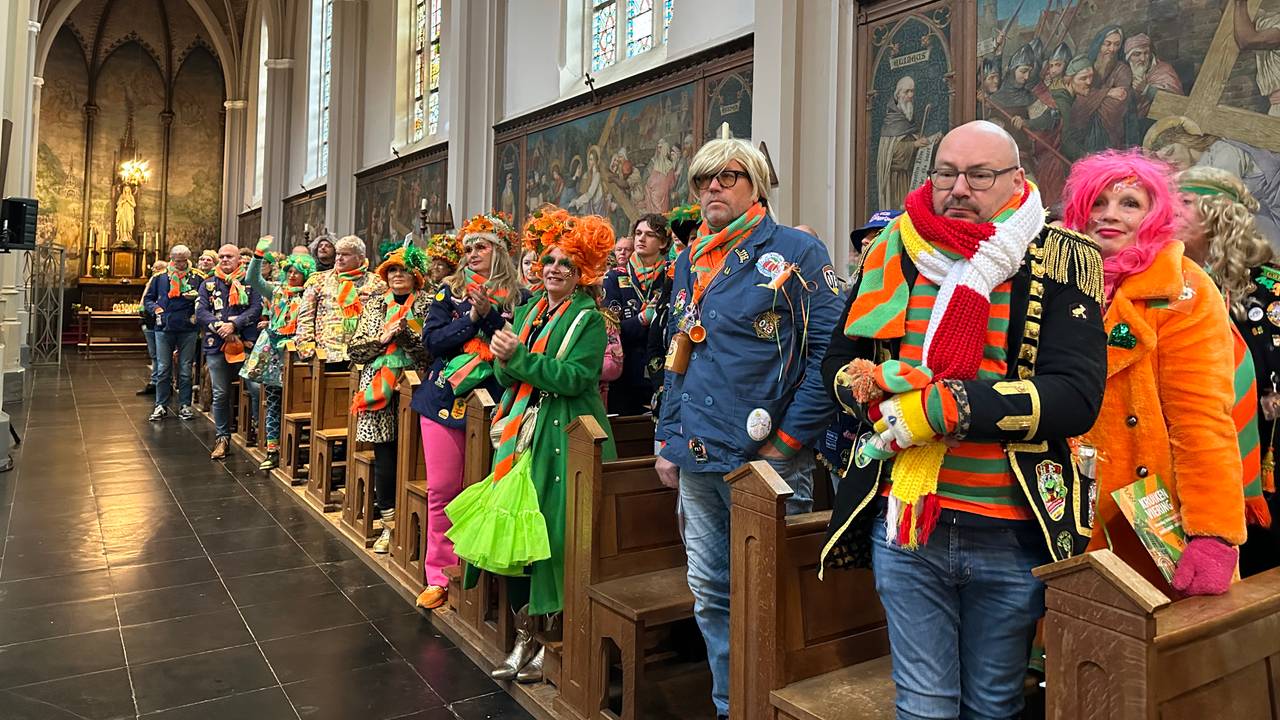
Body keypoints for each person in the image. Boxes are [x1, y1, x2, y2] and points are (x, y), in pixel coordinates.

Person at [821, 121, 1106, 720]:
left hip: (1012, 527)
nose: (958, 188)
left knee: (993, 706)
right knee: (923, 707)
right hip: (908, 522)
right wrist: (874, 395)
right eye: (947, 173)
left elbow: (1075, 396)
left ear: (1016, 181)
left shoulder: (1063, 257)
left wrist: (950, 409)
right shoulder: (893, 248)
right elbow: (841, 359)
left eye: (979, 175)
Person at [654, 138, 843, 720]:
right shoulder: (689, 259)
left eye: (727, 176)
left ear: (756, 185)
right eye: (703, 179)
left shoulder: (796, 251)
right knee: (711, 592)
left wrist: (788, 441)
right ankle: (730, 704)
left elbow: (829, 353)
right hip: (696, 454)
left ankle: (775, 702)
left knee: (772, 591)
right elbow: (679, 346)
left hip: (768, 460)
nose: (712, 187)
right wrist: (666, 434)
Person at [1060, 149, 1245, 596]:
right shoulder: (1053, 280)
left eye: (1129, 204)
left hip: (1150, 516)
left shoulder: (1184, 288)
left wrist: (1213, 534)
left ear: (1154, 214)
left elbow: (1202, 420)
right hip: (1055, 508)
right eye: (1097, 203)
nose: (1109, 215)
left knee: (1156, 655)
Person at [445, 213, 616, 684]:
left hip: (567, 440)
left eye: (566, 263)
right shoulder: (529, 311)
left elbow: (578, 378)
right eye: (549, 260)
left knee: (553, 538)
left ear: (582, 272)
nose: (555, 268)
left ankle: (551, 639)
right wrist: (504, 361)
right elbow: (506, 380)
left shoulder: (590, 320)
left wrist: (516, 358)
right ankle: (525, 634)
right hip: (523, 433)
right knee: (520, 536)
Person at [411, 212, 524, 610]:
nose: (472, 253)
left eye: (482, 246)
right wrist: (472, 318)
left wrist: (490, 315)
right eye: (469, 247)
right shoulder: (448, 292)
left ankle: (481, 573)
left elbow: (514, 342)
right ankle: (439, 575)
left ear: (501, 251)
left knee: (487, 492)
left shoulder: (520, 295)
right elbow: (433, 342)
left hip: (496, 403)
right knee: (443, 489)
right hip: (444, 400)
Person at [1176, 166, 1280, 575]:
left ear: (1217, 214)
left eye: (1183, 204)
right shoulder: (1161, 282)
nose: (1168, 213)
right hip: (1190, 458)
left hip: (1260, 459)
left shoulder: (1270, 289)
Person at [349, 244, 433, 554]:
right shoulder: (374, 305)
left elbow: (430, 351)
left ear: (416, 275)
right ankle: (389, 525)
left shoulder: (426, 305)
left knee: (412, 453)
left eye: (404, 270)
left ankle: (416, 525)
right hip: (379, 386)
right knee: (385, 456)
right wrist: (382, 339)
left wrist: (406, 337)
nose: (398, 275)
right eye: (393, 271)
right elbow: (355, 350)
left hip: (415, 384)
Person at [241, 235, 316, 470]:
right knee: (273, 401)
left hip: (297, 352)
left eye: (298, 272)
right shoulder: (277, 291)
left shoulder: (311, 295)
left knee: (299, 403)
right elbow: (252, 278)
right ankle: (273, 450)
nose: (293, 275)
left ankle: (299, 450)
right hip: (273, 351)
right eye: (290, 270)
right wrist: (258, 255)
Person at [602, 213, 672, 415]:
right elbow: (612, 331)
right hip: (626, 375)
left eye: (650, 234)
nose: (641, 238)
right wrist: (642, 319)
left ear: (663, 242)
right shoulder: (615, 277)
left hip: (663, 373)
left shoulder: (672, 275)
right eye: (638, 233)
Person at [197, 244, 263, 460]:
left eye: (229, 257)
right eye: (222, 256)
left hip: (245, 343)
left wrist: (235, 326)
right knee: (221, 393)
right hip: (217, 344)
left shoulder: (250, 283)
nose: (225, 260)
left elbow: (256, 309)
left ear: (239, 260)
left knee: (255, 387)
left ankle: (257, 430)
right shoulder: (208, 284)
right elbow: (201, 312)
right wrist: (220, 327)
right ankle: (222, 438)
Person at [295, 236, 386, 365]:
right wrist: (308, 352)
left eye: (345, 254)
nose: (339, 258)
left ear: (360, 258)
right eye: (338, 254)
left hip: (363, 356)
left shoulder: (376, 283)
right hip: (326, 355)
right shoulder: (318, 280)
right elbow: (305, 319)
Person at [145, 245, 201, 422]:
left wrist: (196, 312)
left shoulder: (198, 277)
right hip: (164, 328)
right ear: (171, 258)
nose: (179, 264)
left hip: (188, 328)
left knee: (185, 370)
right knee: (163, 369)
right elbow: (148, 299)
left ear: (188, 259)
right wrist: (157, 309)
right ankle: (160, 405)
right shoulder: (160, 277)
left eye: (182, 260)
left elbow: (204, 299)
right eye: (176, 260)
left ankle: (185, 405)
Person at [1125, 33, 1184, 119]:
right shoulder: (1123, 72)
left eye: (1146, 53)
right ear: (1129, 57)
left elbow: (1176, 103)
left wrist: (1146, 89)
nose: (1143, 59)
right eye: (1137, 54)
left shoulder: (1164, 70)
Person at [136, 259, 168, 396]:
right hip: (148, 321)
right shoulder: (152, 281)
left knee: (161, 356)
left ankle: (159, 382)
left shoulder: (163, 282)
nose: (154, 271)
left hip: (159, 323)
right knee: (154, 355)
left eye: (158, 268)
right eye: (154, 268)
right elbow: (144, 301)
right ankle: (154, 381)